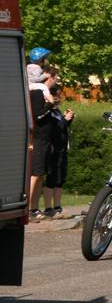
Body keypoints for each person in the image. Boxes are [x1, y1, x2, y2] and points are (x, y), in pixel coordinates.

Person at [28, 66, 60, 220]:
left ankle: (34, 209)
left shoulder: (45, 93)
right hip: (38, 139)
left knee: (40, 175)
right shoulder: (37, 93)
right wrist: (50, 104)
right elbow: (38, 116)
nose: (57, 80)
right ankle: (28, 209)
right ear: (50, 77)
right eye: (56, 77)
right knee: (35, 174)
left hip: (45, 140)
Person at [43, 86, 74, 218]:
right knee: (51, 179)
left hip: (62, 149)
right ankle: (48, 208)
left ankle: (57, 207)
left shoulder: (57, 111)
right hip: (53, 150)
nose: (59, 98)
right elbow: (54, 129)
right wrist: (64, 119)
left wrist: (68, 120)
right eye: (57, 96)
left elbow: (62, 127)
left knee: (60, 179)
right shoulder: (48, 112)